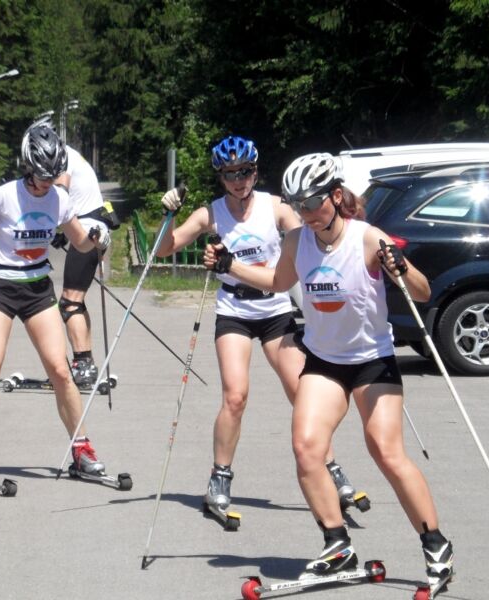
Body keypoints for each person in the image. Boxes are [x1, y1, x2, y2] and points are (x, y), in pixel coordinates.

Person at [205, 152, 453, 583]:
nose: (305, 213)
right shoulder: (295, 241)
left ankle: (435, 543)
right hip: (323, 362)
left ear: (336, 197)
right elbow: (278, 283)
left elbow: (424, 291)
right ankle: (337, 543)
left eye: (312, 202)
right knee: (306, 449)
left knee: (386, 452)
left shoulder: (366, 238)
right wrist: (232, 267)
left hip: (372, 362)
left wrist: (399, 265)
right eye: (297, 205)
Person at [156, 135, 362, 519]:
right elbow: (164, 249)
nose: (240, 180)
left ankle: (329, 468)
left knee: (304, 391)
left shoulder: (275, 207)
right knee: (236, 396)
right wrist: (169, 214)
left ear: (255, 170)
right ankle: (220, 477)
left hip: (274, 308)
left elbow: (315, 225)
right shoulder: (211, 213)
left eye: (246, 172)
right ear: (221, 176)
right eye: (231, 173)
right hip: (234, 309)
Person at [0, 123, 112, 480]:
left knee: (61, 371)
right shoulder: (4, 195)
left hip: (37, 288)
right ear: (26, 166)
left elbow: (80, 243)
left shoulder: (60, 199)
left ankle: (80, 449)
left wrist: (98, 237)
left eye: (51, 177)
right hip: (0, 287)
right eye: (39, 177)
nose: (45, 184)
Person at [51, 139, 119, 387]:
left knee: (69, 302)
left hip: (89, 230)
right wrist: (63, 232)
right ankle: (86, 361)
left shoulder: (63, 158)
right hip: (91, 226)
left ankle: (83, 365)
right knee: (75, 301)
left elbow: (60, 193)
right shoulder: (70, 154)